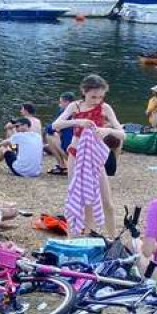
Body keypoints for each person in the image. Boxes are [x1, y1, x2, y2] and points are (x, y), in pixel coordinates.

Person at [51, 74, 124, 236]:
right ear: (84, 91)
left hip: (94, 157)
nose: (97, 100)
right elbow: (56, 125)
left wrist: (108, 130)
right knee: (78, 200)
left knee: (108, 203)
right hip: (75, 155)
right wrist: (78, 122)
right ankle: (77, 238)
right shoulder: (75, 106)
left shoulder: (105, 108)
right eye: (93, 96)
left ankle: (113, 239)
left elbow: (122, 134)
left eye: (100, 97)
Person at [43, 92, 76, 175]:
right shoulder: (79, 111)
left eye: (61, 102)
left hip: (71, 153)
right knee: (57, 134)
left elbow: (50, 128)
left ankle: (62, 166)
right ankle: (65, 165)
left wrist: (56, 129)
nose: (59, 105)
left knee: (49, 136)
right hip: (79, 151)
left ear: (67, 102)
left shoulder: (64, 112)